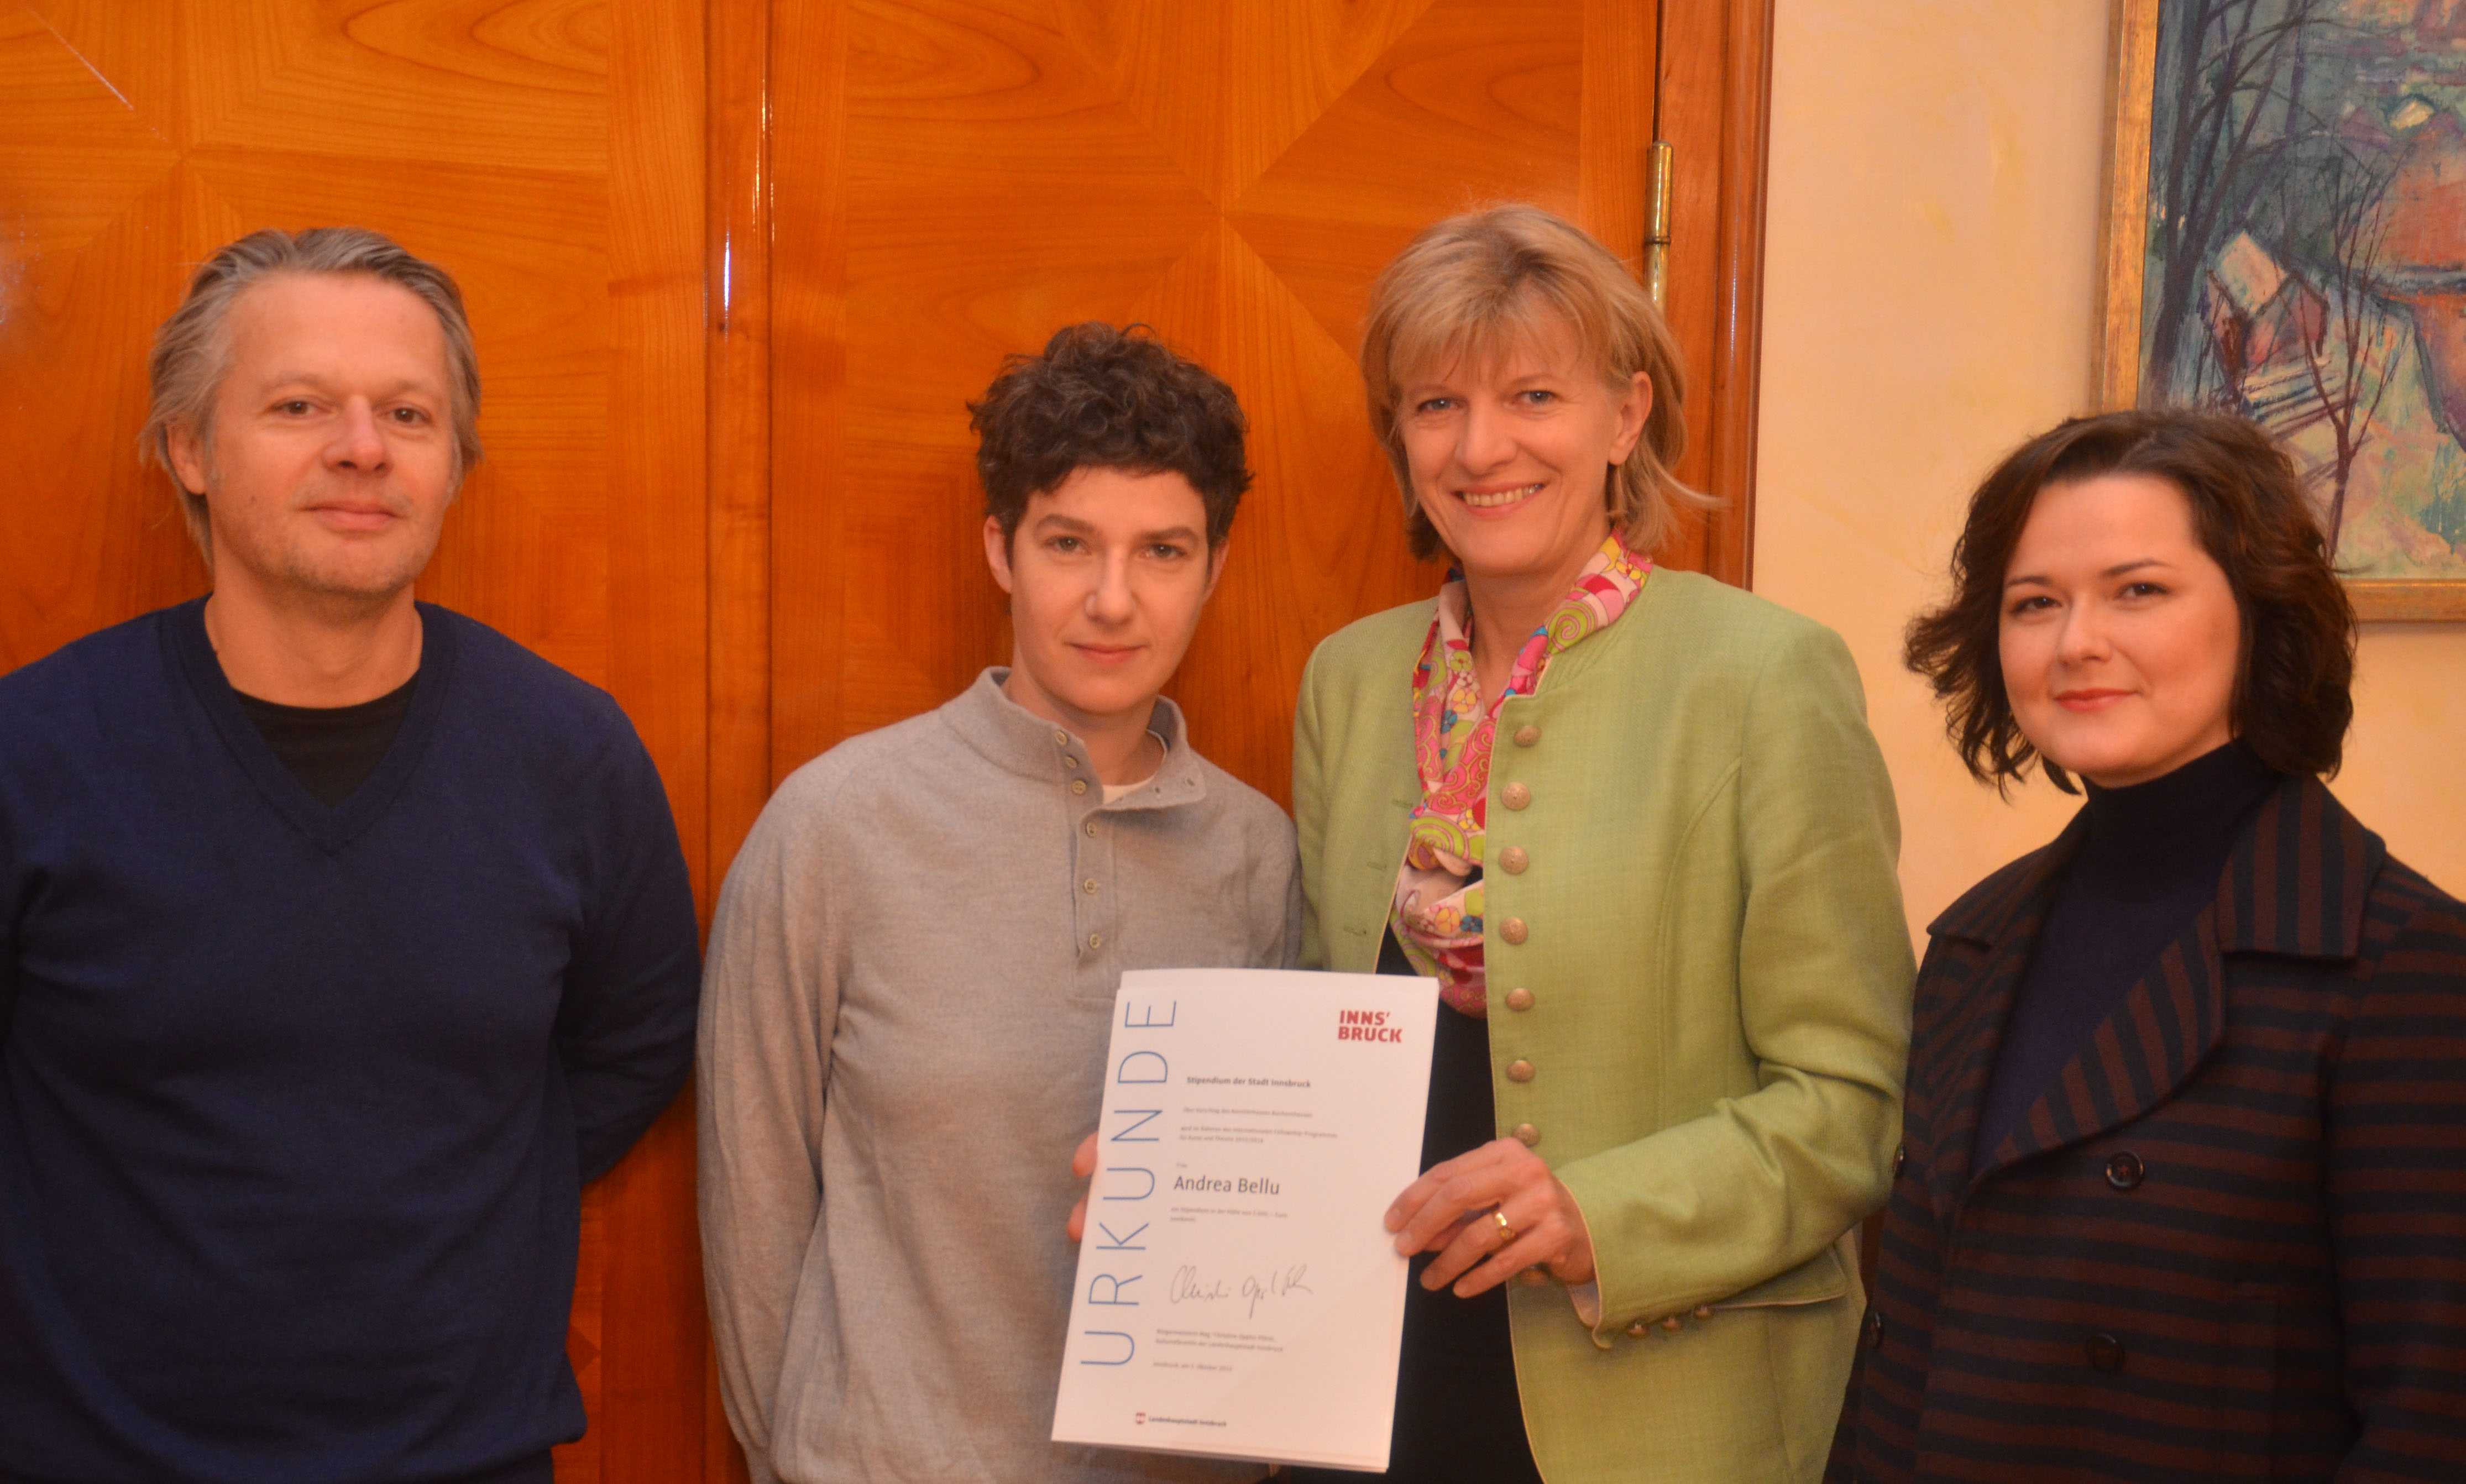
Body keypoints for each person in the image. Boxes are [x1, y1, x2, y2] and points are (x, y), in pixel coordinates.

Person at [0, 228, 700, 1483]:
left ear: (453, 462)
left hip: (468, 1458)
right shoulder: (33, 750)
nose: (363, 448)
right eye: (300, 405)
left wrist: (457, 1185)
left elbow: (638, 1038)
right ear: (191, 449)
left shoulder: (570, 754)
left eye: (408, 413)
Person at [1288, 204, 1913, 1484]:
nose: (1480, 447)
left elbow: (1855, 1106)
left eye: (1532, 395)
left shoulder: (1762, 674)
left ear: (1625, 416)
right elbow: (1315, 1049)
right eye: (1435, 405)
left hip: (1666, 1408)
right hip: (1368, 1397)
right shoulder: (1345, 680)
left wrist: (1601, 1213)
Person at [698, 322, 1300, 1484]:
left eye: (1162, 550)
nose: (1112, 599)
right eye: (1069, 542)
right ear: (1000, 549)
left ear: (1215, 566)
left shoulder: (1256, 851)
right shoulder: (833, 825)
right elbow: (751, 1206)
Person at [1830, 409, 2466, 1482]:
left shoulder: (2399, 963)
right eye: (2034, 602)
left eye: (2137, 590)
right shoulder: (1972, 940)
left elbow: (2432, 1421)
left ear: (2257, 614)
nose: (2075, 641)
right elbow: (1902, 1360)